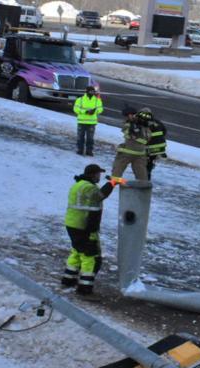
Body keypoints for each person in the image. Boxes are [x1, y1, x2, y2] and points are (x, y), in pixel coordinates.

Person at [62, 164, 121, 295]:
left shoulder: (79, 184)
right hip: (84, 226)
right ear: (93, 174)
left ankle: (68, 279)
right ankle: (85, 288)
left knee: (77, 252)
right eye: (98, 174)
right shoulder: (87, 187)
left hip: (73, 224)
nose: (99, 176)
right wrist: (112, 183)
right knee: (92, 257)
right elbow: (99, 196)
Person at [110, 106, 150, 182]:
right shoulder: (146, 127)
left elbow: (126, 131)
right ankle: (143, 187)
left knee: (118, 169)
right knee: (141, 174)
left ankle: (113, 183)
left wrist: (132, 128)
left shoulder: (138, 125)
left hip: (128, 152)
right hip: (140, 154)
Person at [73, 87, 104, 156]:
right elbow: (75, 109)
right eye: (90, 91)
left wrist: (94, 111)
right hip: (82, 122)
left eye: (93, 91)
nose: (92, 93)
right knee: (80, 137)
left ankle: (89, 151)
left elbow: (100, 109)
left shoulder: (97, 100)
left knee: (90, 139)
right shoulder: (80, 100)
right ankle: (80, 150)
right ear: (86, 91)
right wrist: (86, 112)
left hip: (92, 123)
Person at [138, 107, 167, 177]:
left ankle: (144, 177)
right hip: (160, 146)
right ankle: (148, 172)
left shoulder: (143, 122)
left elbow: (143, 135)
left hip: (150, 146)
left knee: (143, 161)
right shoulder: (158, 122)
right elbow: (164, 131)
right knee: (150, 160)